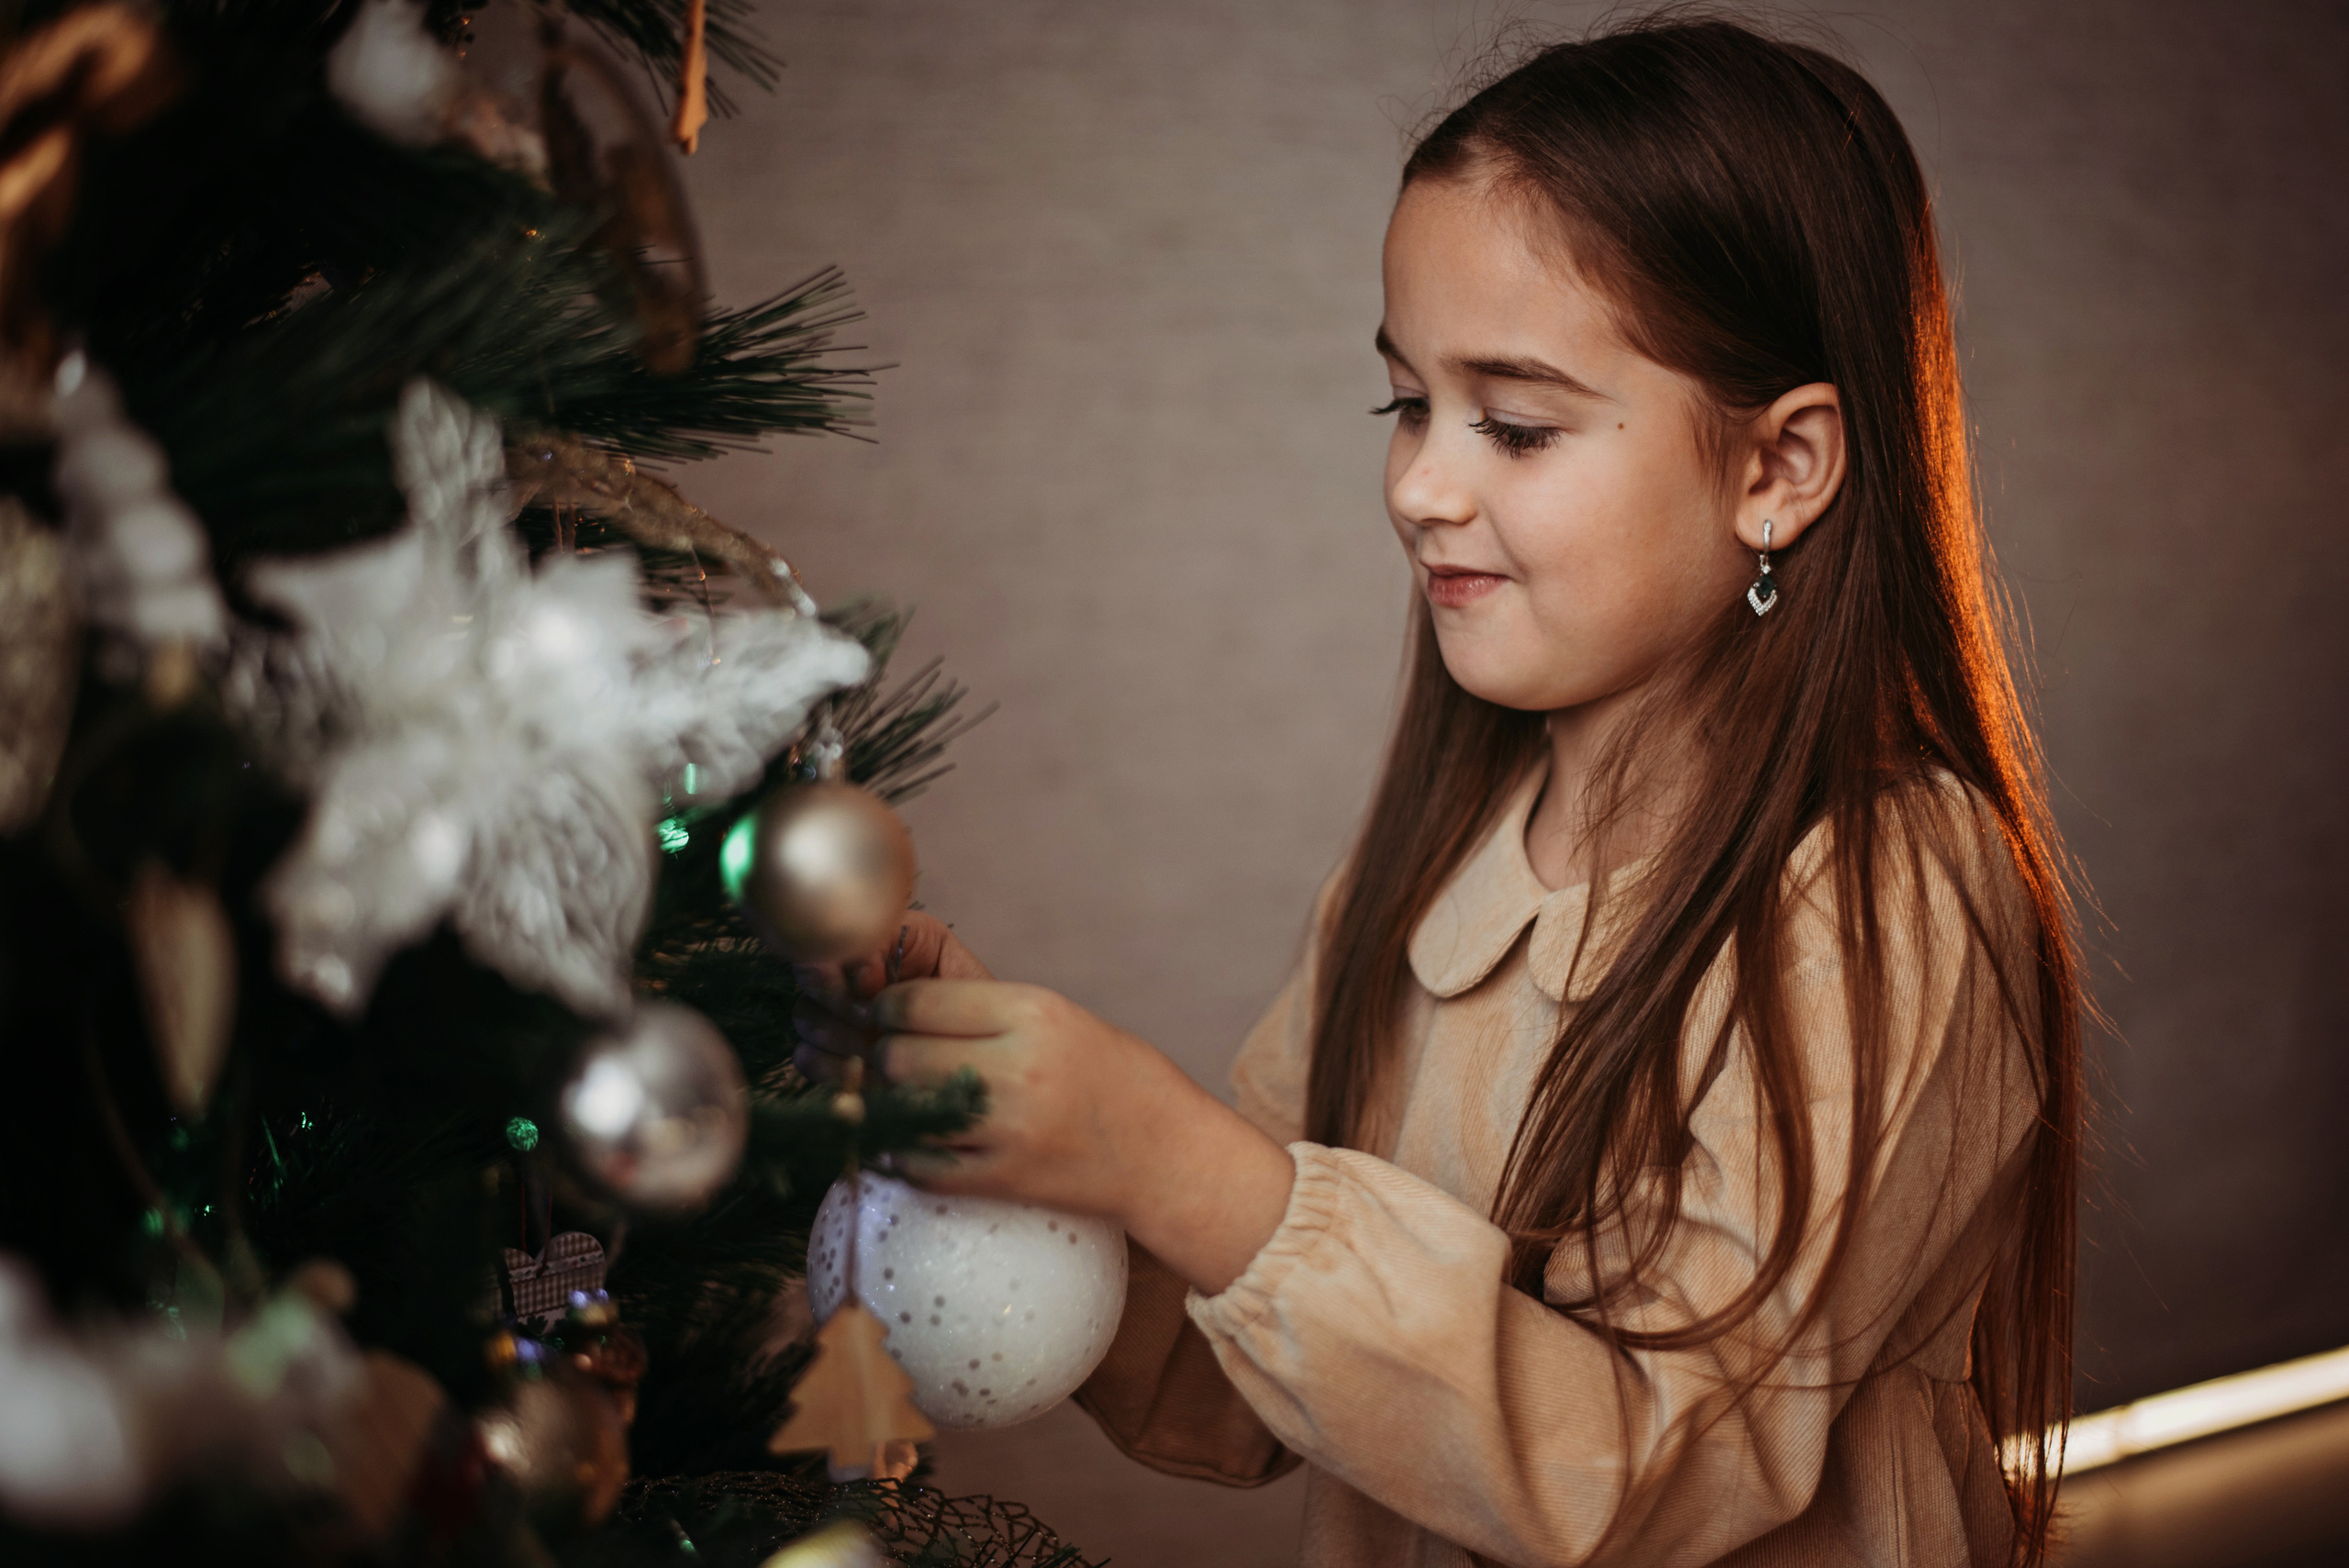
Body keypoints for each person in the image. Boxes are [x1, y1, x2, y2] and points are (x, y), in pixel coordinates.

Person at [834, 17, 2084, 1568]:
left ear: (1779, 470)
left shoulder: (1888, 889)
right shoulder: (1435, 867)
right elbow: (1253, 1383)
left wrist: (1169, 1152)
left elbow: (1662, 1470)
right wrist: (1051, 1163)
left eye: (1516, 424)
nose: (1421, 485)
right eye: (1406, 405)